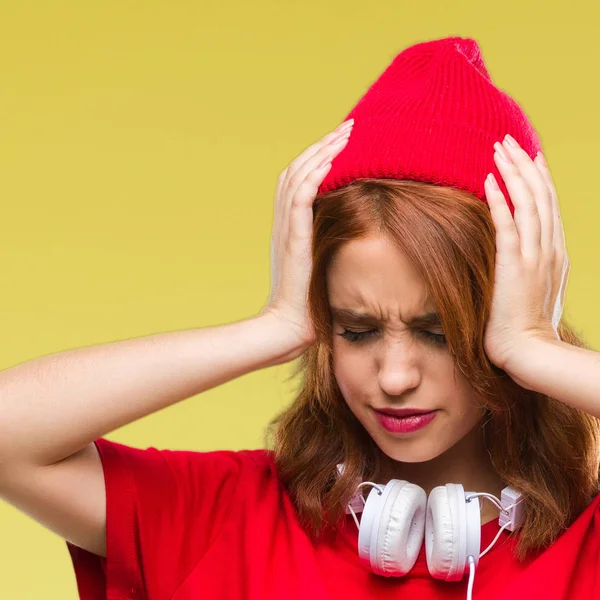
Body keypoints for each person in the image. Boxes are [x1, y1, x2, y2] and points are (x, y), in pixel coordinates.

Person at [0, 35, 599, 600]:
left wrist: (533, 347)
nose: (393, 378)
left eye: (439, 333)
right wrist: (273, 328)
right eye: (356, 330)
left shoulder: (587, 542)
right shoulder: (224, 518)